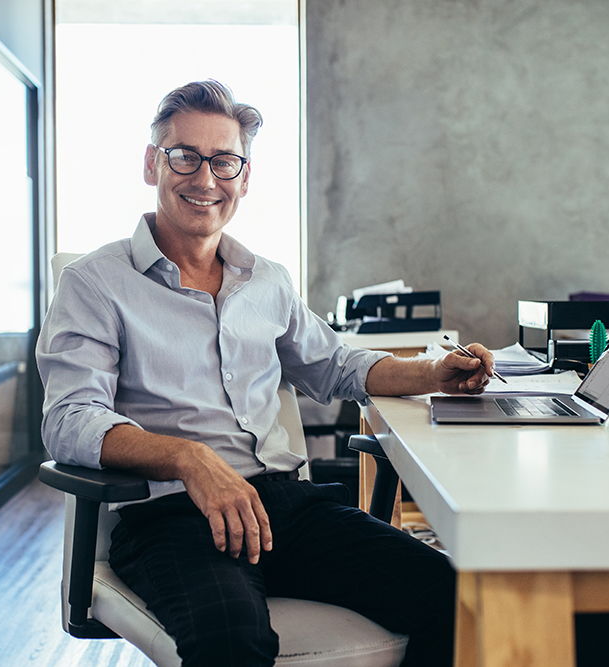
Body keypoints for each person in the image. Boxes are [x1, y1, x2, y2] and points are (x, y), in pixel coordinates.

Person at [37, 80, 496, 666]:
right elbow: (70, 417)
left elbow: (335, 365)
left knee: (460, 599)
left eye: (223, 161)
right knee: (232, 641)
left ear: (244, 177)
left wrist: (437, 371)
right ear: (153, 163)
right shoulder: (95, 283)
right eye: (185, 156)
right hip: (173, 518)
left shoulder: (267, 279)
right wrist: (191, 458)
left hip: (284, 505)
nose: (205, 179)